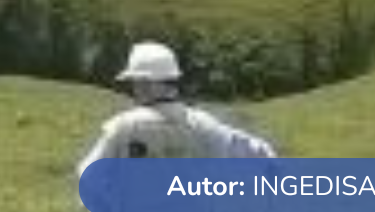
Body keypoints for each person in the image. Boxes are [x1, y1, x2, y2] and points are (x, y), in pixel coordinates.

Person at [77, 41, 277, 172]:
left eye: (135, 82)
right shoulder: (205, 125)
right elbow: (262, 156)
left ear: (145, 83)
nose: (134, 89)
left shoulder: (122, 127)